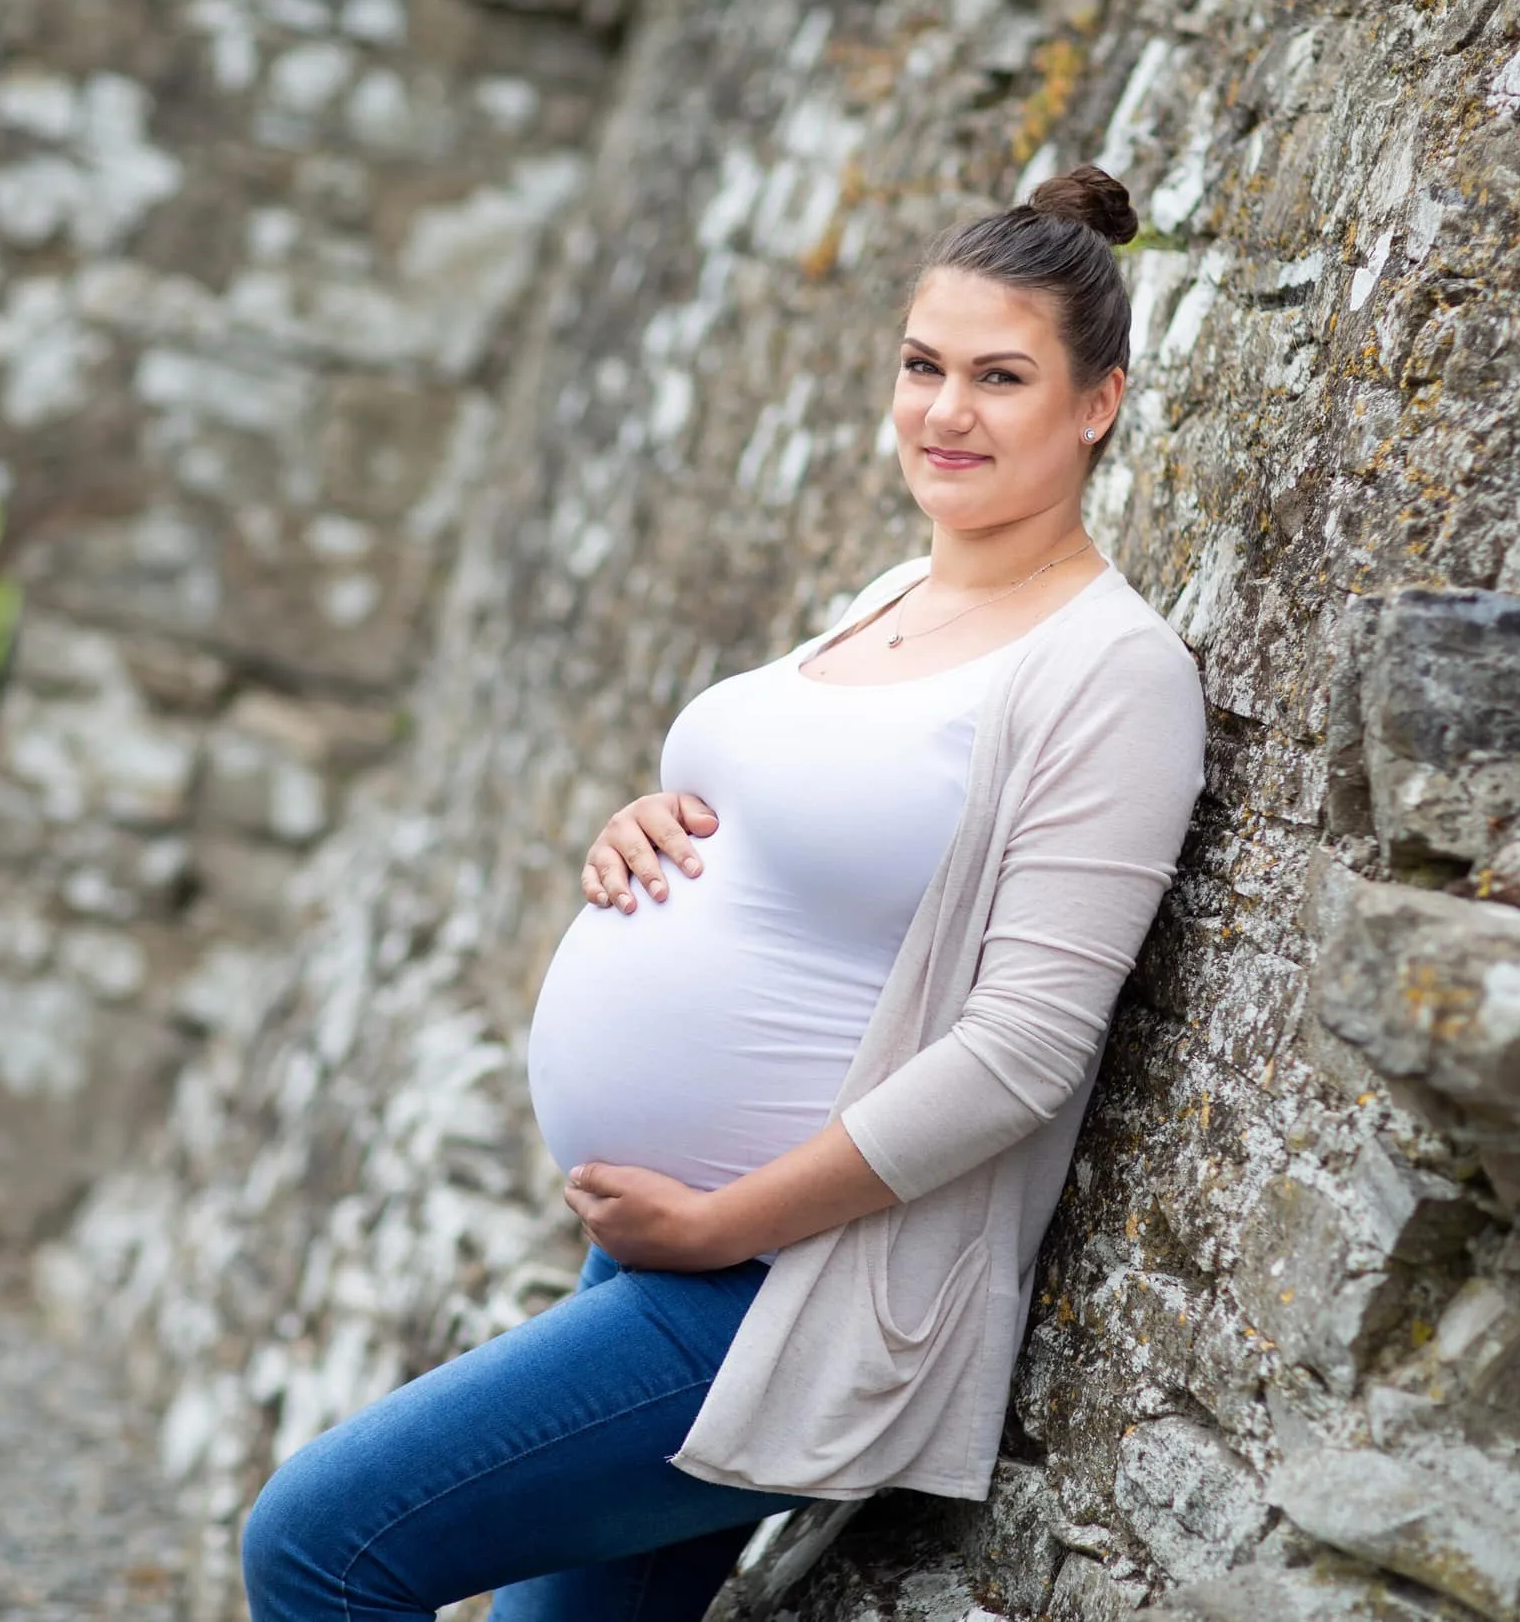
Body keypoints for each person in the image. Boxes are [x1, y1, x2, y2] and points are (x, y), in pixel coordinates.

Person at [240, 166, 1209, 1622]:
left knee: (319, 1544)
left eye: (1001, 378)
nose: (945, 412)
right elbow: (802, 829)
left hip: (783, 1289)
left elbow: (1025, 1049)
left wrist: (720, 1226)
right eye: (923, 366)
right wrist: (648, 827)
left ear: (1099, 403)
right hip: (663, 1255)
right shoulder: (894, 595)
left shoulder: (1111, 672)